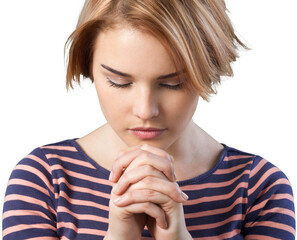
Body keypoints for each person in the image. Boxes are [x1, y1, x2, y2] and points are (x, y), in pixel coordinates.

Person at [2, 0, 295, 239]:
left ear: (207, 69)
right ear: (88, 64)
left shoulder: (259, 186)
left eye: (172, 84)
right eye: (118, 82)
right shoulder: (43, 177)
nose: (145, 111)